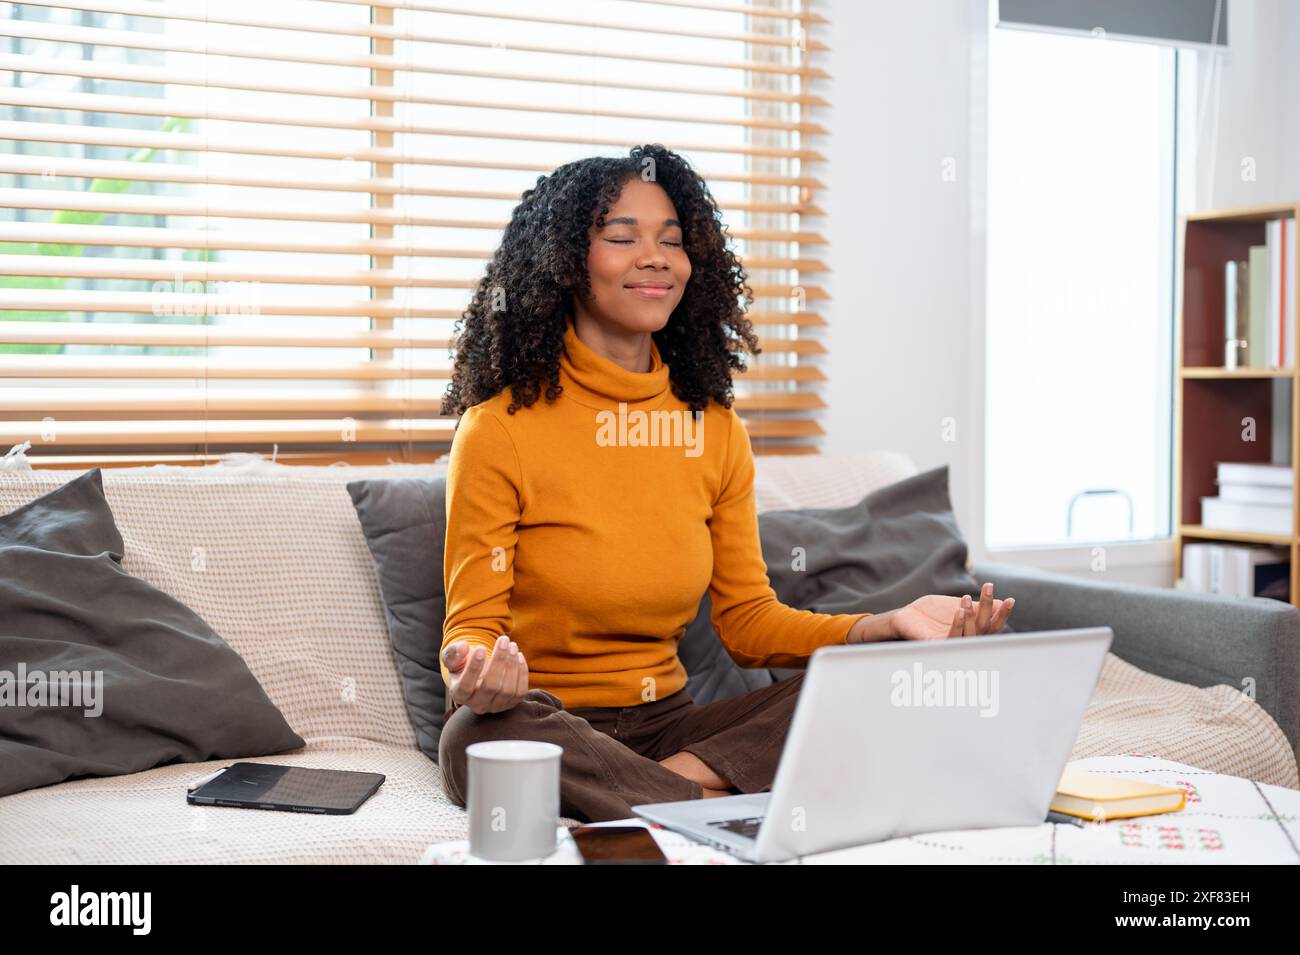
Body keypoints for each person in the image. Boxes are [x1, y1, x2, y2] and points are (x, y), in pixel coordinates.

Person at [436, 143, 1015, 823]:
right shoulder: (498, 429)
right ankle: (711, 799)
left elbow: (747, 621)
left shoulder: (713, 427)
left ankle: (655, 793)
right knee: (477, 737)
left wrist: (886, 625)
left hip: (673, 726)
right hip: (552, 719)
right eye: (622, 237)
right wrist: (477, 673)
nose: (655, 257)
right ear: (564, 264)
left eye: (673, 241)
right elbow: (472, 625)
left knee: (882, 680)